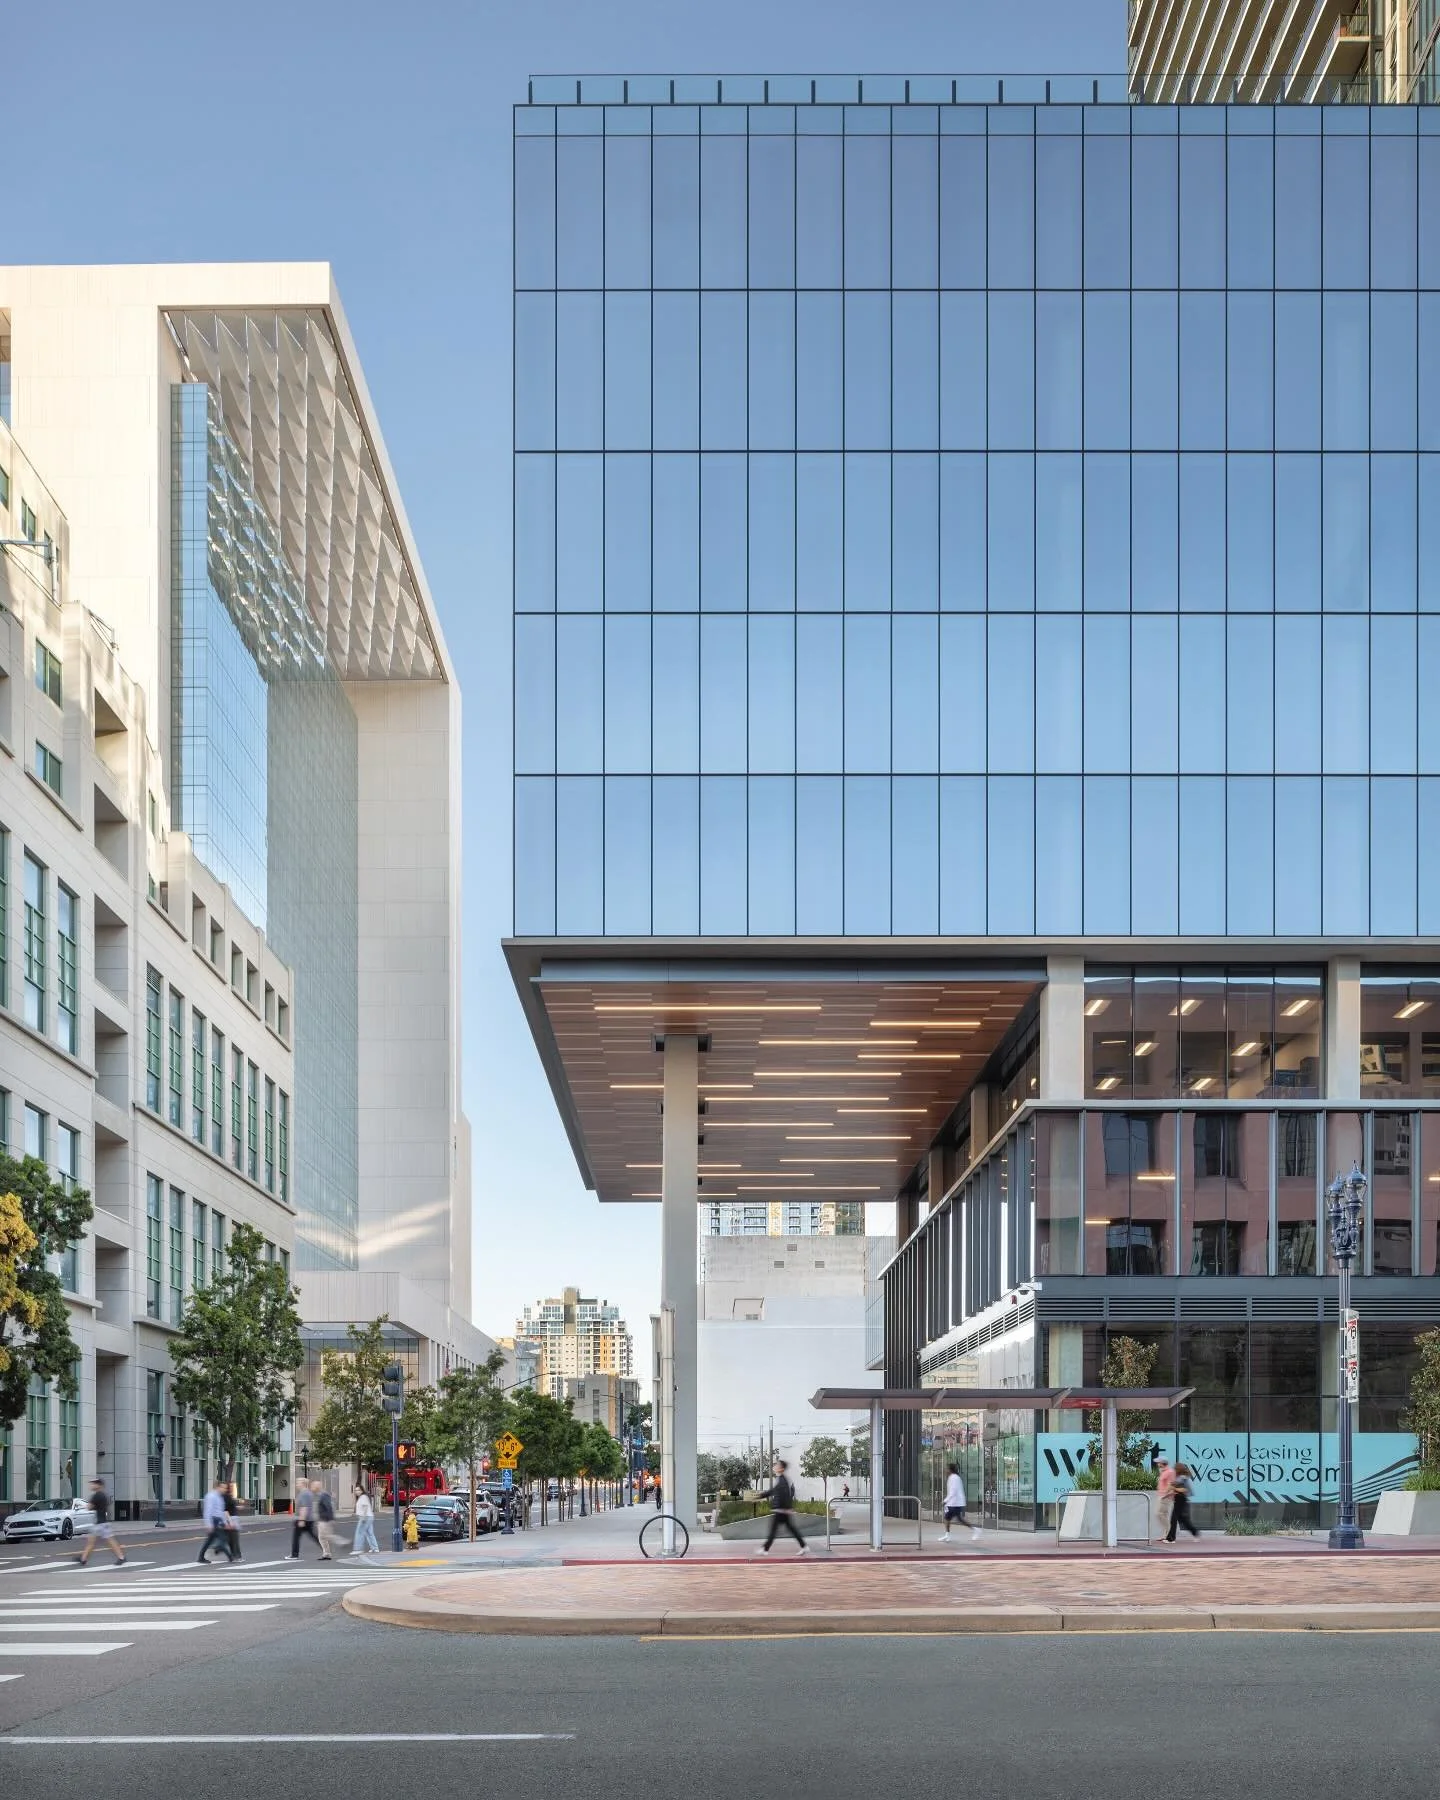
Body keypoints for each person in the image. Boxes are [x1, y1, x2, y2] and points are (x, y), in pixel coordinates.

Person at [755, 1459, 808, 1556]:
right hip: (782, 1510)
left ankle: (765, 1549)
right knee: (790, 1529)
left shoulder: (782, 1480)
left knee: (774, 1531)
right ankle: (803, 1546)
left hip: (781, 1510)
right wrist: (761, 1495)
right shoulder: (780, 1479)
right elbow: (773, 1491)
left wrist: (787, 1508)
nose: (775, 1466)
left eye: (777, 1465)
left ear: (781, 1469)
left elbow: (785, 1494)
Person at [77, 1476, 125, 1566]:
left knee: (105, 1541)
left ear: (98, 1485)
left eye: (93, 1484)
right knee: (95, 1541)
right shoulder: (103, 1495)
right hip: (102, 1522)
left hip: (100, 1524)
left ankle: (121, 1557)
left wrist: (82, 1505)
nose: (91, 1485)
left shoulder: (97, 1495)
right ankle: (83, 1558)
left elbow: (89, 1507)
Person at [938, 1463, 982, 1543]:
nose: (945, 1470)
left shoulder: (954, 1478)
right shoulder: (952, 1477)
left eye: (947, 1468)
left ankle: (976, 1530)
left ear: (950, 1470)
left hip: (956, 1503)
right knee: (948, 1518)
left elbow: (953, 1491)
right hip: (953, 1503)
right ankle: (947, 1535)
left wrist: (945, 1501)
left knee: (957, 1519)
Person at [197, 1478, 236, 1564]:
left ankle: (201, 1557)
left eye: (225, 1488)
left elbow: (221, 1511)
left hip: (218, 1520)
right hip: (214, 1520)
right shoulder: (211, 1496)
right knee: (223, 1539)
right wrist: (208, 1524)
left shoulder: (219, 1497)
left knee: (210, 1540)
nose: (225, 1490)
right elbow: (208, 1511)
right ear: (217, 1487)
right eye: (223, 1488)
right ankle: (229, 1556)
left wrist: (225, 1523)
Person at [1165, 1462, 1201, 1542]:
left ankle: (1171, 1538)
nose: (1174, 1470)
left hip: (1181, 1500)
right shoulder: (1181, 1478)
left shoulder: (1182, 1478)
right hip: (1179, 1499)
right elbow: (1176, 1489)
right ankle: (1195, 1532)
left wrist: (1173, 1488)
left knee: (1173, 1519)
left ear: (1178, 1469)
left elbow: (1184, 1490)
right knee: (1183, 1519)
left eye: (1175, 1468)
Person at [285, 1478, 319, 1559]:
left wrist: (301, 1520)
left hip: (303, 1519)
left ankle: (294, 1555)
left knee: (296, 1537)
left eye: (298, 1483)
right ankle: (326, 1549)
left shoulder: (304, 1494)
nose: (296, 1484)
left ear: (303, 1484)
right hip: (309, 1519)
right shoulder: (308, 1493)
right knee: (314, 1536)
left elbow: (304, 1507)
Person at [351, 1484, 379, 1556]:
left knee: (359, 1533)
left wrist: (363, 1517)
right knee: (369, 1533)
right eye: (355, 1490)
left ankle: (358, 1549)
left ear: (362, 1490)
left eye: (358, 1490)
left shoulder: (363, 1497)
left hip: (365, 1517)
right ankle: (375, 1548)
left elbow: (365, 1507)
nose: (356, 1492)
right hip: (368, 1516)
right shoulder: (362, 1497)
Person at [1153, 1459, 1176, 1543]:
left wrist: (1165, 1495)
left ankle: (1168, 1533)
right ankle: (1166, 1534)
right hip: (1162, 1496)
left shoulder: (1169, 1472)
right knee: (1164, 1515)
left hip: (1165, 1497)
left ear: (1163, 1463)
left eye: (1158, 1462)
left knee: (1159, 1513)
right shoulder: (1163, 1471)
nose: (1157, 1464)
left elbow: (1171, 1484)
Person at [314, 1481, 337, 1560]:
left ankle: (342, 1542)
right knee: (323, 1537)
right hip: (323, 1519)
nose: (312, 1488)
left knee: (326, 1537)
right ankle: (326, 1554)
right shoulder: (321, 1495)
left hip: (325, 1520)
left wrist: (331, 1518)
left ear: (318, 1487)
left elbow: (329, 1506)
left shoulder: (324, 1495)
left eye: (314, 1486)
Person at [223, 1483, 243, 1563]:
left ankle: (234, 1556)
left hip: (233, 1518)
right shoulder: (227, 1496)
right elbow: (225, 1510)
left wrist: (238, 1507)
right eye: (231, 1486)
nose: (233, 1488)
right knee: (234, 1539)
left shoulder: (231, 1496)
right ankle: (237, 1556)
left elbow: (230, 1507)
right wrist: (230, 1522)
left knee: (232, 1539)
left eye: (234, 1486)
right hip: (231, 1519)